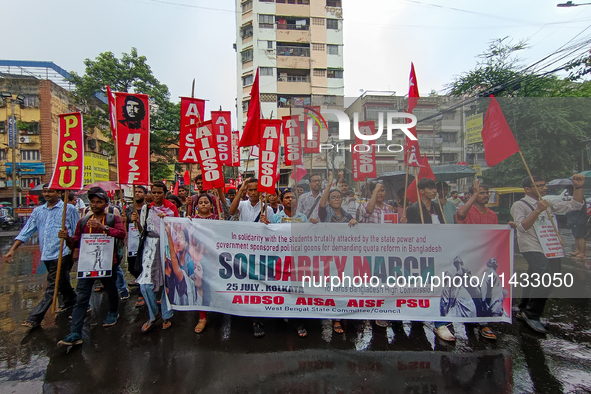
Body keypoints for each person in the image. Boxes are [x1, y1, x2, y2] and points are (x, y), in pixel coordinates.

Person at [510, 174, 585, 334]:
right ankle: (532, 314)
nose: (544, 187)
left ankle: (524, 308)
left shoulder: (548, 202)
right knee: (545, 278)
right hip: (532, 246)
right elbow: (522, 227)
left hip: (550, 246)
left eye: (544, 185)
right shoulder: (519, 205)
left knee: (537, 277)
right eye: (540, 185)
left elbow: (575, 205)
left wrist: (578, 187)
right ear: (528, 189)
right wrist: (538, 210)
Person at [57, 187, 126, 346]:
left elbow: (121, 234)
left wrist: (103, 228)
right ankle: (75, 332)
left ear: (105, 204)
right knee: (81, 297)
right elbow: (75, 241)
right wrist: (66, 237)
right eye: (92, 202)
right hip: (87, 264)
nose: (95, 205)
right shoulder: (83, 222)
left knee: (111, 289)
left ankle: (113, 312)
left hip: (108, 261)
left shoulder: (111, 219)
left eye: (99, 202)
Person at [4, 185, 80, 328]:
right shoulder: (38, 211)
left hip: (63, 252)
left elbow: (77, 231)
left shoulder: (68, 209)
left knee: (53, 285)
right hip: (46, 253)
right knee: (61, 282)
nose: (47, 194)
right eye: (45, 191)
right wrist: (12, 249)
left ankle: (35, 317)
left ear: (59, 193)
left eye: (51, 191)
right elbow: (26, 231)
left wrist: (75, 249)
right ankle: (73, 300)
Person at [405, 178, 454, 342]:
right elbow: (410, 233)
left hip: (437, 252)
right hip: (419, 254)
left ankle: (439, 322)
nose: (434, 191)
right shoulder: (413, 209)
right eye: (430, 188)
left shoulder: (436, 207)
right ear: (422, 191)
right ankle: (417, 317)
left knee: (438, 286)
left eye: (434, 188)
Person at [229, 178, 273, 337]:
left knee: (258, 284)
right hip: (244, 250)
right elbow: (231, 212)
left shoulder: (267, 208)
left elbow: (272, 230)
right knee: (247, 283)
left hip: (260, 250)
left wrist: (266, 222)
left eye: (256, 190)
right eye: (250, 190)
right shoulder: (242, 205)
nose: (254, 193)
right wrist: (240, 190)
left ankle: (258, 315)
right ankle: (254, 320)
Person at [136, 182, 179, 333]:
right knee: (145, 284)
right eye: (154, 192)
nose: (156, 195)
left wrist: (166, 219)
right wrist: (136, 221)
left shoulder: (171, 208)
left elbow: (176, 228)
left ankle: (166, 315)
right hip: (149, 247)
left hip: (166, 246)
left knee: (166, 281)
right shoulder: (147, 208)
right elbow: (143, 229)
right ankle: (153, 314)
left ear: (165, 194)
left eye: (159, 192)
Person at [318, 172, 357, 335]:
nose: (336, 199)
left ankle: (339, 318)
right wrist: (329, 185)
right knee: (331, 288)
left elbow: (356, 232)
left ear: (342, 200)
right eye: (332, 197)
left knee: (343, 288)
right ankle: (333, 317)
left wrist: (355, 223)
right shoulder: (325, 213)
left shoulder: (348, 215)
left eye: (338, 197)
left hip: (344, 258)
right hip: (328, 257)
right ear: (328, 200)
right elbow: (320, 205)